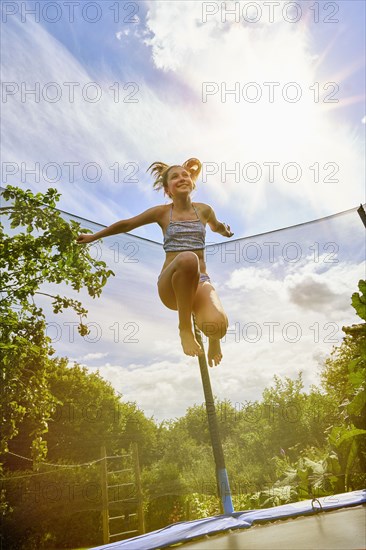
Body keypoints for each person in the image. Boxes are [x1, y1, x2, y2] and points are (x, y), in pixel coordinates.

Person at [77, 158, 234, 367]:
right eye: (175, 177)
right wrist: (94, 236)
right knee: (188, 258)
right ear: (168, 190)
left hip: (200, 281)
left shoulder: (204, 210)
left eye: (185, 175)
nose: (181, 178)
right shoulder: (161, 213)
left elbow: (216, 226)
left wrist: (226, 231)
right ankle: (184, 328)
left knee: (218, 326)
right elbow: (127, 224)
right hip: (172, 285)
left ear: (192, 182)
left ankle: (214, 341)